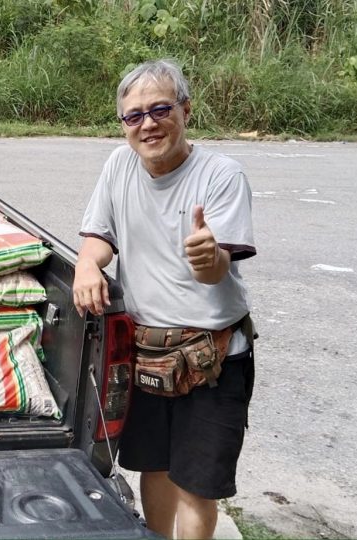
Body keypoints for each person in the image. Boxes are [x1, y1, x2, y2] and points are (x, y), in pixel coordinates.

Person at [73, 59, 257, 539]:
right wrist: (87, 265)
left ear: (185, 110)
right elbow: (99, 236)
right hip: (147, 354)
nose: (147, 124)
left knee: (196, 487)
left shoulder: (221, 175)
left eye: (160, 109)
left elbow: (218, 269)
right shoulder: (118, 165)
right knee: (151, 469)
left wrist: (207, 254)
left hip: (211, 360)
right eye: (133, 115)